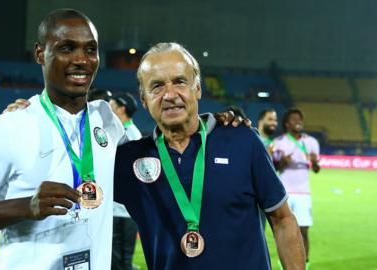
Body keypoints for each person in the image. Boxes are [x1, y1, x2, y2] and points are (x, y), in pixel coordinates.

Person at [0, 9, 126, 270]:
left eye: (90, 50)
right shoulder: (11, 126)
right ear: (40, 53)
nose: (81, 60)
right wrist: (26, 206)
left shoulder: (107, 121)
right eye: (67, 48)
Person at [113, 42, 305, 269]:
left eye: (179, 82)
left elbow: (282, 219)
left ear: (198, 89)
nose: (169, 94)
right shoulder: (128, 160)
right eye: (156, 86)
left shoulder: (242, 141)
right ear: (144, 99)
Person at [272, 108, 320, 270]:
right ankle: (283, 262)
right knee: (282, 230)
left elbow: (316, 169)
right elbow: (275, 168)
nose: (298, 121)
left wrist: (315, 161)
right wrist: (283, 161)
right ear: (287, 124)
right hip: (283, 193)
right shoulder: (279, 142)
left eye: (299, 119)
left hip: (303, 193)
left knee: (304, 230)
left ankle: (305, 264)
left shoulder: (311, 142)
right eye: (294, 119)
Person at [109, 93, 141, 270]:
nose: (108, 108)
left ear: (122, 109)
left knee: (120, 262)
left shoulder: (130, 135)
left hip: (122, 212)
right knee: (118, 260)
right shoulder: (124, 131)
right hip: (119, 210)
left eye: (111, 105)